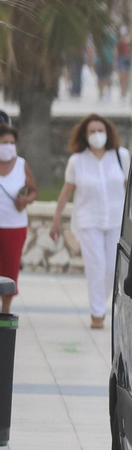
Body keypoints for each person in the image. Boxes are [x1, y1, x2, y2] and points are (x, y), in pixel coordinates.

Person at [52, 116, 129, 329]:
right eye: (92, 131)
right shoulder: (77, 161)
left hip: (116, 220)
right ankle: (97, 313)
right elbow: (66, 192)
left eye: (100, 130)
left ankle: (101, 302)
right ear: (85, 136)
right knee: (96, 267)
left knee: (112, 268)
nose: (97, 135)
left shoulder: (121, 156)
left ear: (108, 132)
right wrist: (56, 220)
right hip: (88, 221)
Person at [0, 124, 38, 314]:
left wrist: (25, 200)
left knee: (10, 268)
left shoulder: (21, 164)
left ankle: (5, 311)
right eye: (4, 142)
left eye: (11, 143)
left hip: (14, 226)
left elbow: (34, 191)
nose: (8, 146)